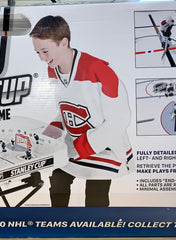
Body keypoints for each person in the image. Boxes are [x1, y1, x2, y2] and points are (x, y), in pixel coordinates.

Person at [30, 15, 133, 207]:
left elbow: (119, 120)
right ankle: (58, 227)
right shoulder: (53, 69)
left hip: (104, 145)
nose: (42, 58)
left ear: (64, 43)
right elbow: (64, 110)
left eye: (45, 51)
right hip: (75, 142)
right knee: (58, 181)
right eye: (37, 53)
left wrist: (82, 147)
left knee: (95, 196)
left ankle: (96, 235)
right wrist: (48, 137)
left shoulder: (99, 71)